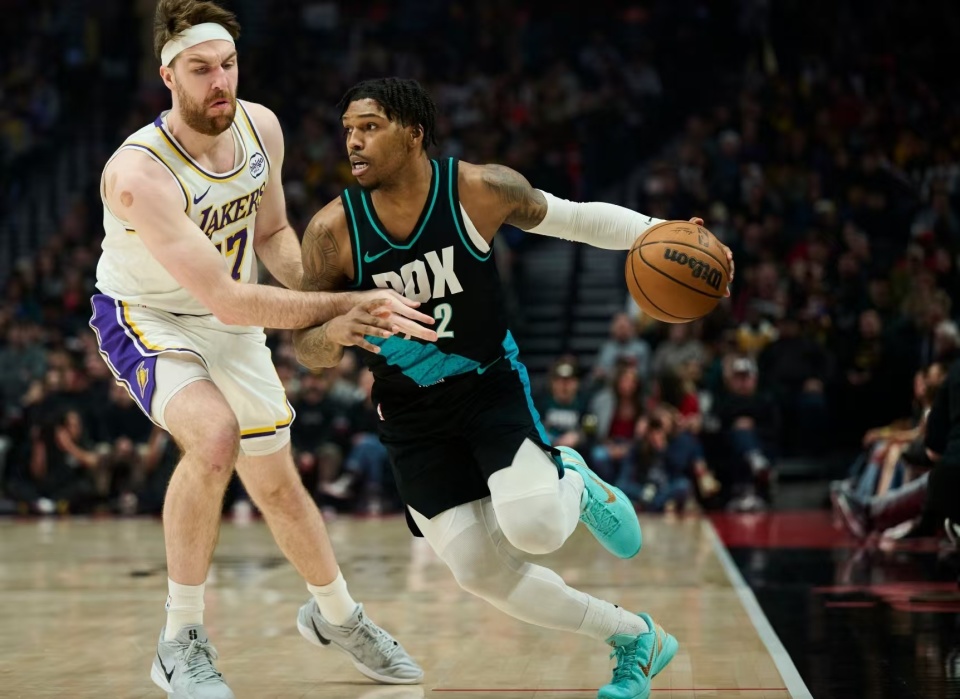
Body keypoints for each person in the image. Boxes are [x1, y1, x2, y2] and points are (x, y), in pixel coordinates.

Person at [293, 77, 734, 699]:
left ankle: (573, 478)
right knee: (478, 572)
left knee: (536, 528)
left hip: (487, 388)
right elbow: (306, 347)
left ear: (414, 133)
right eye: (348, 130)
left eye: (370, 127)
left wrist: (669, 231)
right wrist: (336, 328)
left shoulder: (478, 189)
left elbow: (577, 219)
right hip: (411, 416)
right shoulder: (332, 231)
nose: (354, 142)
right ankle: (635, 638)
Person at [90, 4, 432, 697]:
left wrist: (329, 297)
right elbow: (227, 297)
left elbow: (273, 234)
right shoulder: (139, 173)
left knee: (276, 481)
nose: (220, 81)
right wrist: (342, 305)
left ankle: (337, 615)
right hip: (149, 316)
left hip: (230, 315)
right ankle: (179, 640)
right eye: (201, 69)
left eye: (228, 65)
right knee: (215, 436)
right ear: (168, 76)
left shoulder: (260, 126)